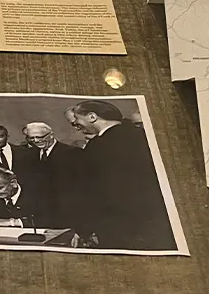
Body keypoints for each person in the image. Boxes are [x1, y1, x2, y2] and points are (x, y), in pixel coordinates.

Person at [66, 101, 176, 251]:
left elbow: (94, 191)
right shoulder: (144, 136)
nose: (77, 124)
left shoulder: (99, 145)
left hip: (117, 225)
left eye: (77, 119)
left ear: (92, 117)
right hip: (157, 221)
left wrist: (84, 229)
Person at [22, 121, 81, 228]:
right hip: (40, 213)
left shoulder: (73, 153)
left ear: (51, 135)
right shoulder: (28, 154)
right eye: (31, 138)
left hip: (66, 212)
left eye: (39, 137)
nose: (36, 141)